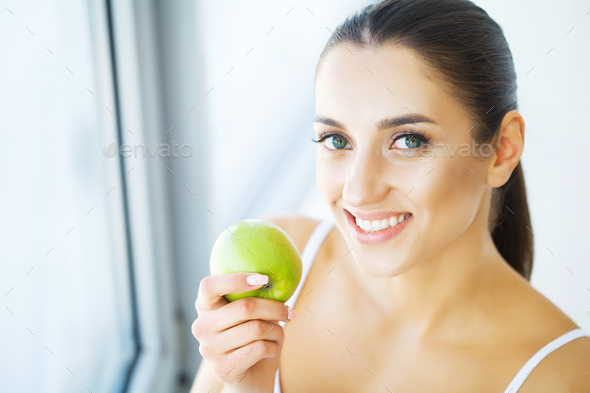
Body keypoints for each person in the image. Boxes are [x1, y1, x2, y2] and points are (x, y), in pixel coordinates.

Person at [190, 0, 590, 392]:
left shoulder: (567, 376)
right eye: (336, 139)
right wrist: (247, 387)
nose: (358, 191)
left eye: (409, 140)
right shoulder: (278, 266)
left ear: (502, 149)